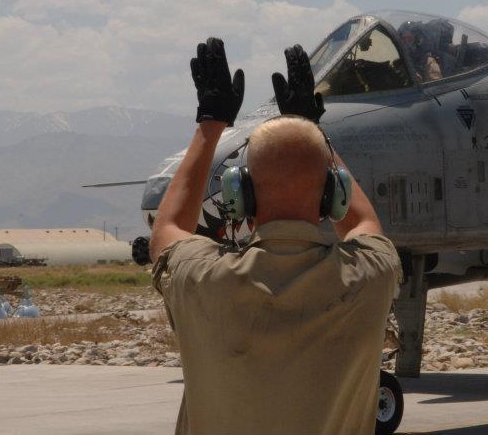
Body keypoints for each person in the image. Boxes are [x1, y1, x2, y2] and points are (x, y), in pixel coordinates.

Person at [149, 38, 402, 435]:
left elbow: (167, 230)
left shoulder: (200, 277)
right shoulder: (371, 274)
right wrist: (311, 129)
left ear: (241, 194)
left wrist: (210, 124)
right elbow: (361, 222)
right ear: (330, 192)